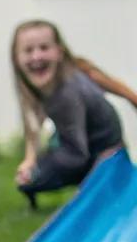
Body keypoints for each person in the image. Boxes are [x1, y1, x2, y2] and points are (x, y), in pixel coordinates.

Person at [11, 20, 133, 205]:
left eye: (44, 48)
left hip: (106, 152)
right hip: (85, 142)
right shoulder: (33, 87)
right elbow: (33, 123)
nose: (36, 56)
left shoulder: (69, 90)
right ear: (16, 58)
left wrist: (36, 174)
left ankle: (94, 183)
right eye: (28, 50)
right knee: (31, 174)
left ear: (59, 52)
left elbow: (76, 156)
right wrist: (30, 160)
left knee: (33, 178)